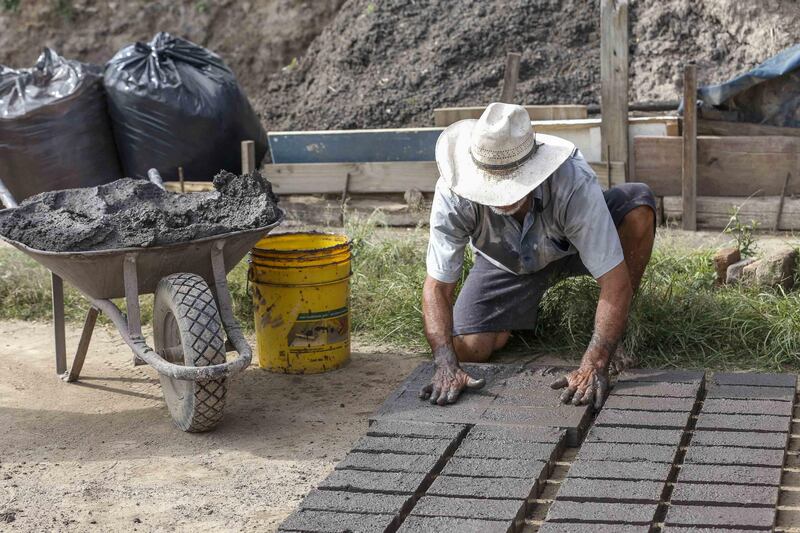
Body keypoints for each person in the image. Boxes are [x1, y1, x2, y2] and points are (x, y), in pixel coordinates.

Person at [419, 102, 656, 409]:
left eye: (513, 185)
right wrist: (445, 363)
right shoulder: (453, 192)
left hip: (572, 248)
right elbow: (436, 287)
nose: (503, 198)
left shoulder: (572, 181)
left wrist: (595, 363)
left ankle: (619, 327)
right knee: (469, 349)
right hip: (504, 261)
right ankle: (514, 321)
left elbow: (614, 282)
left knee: (637, 205)